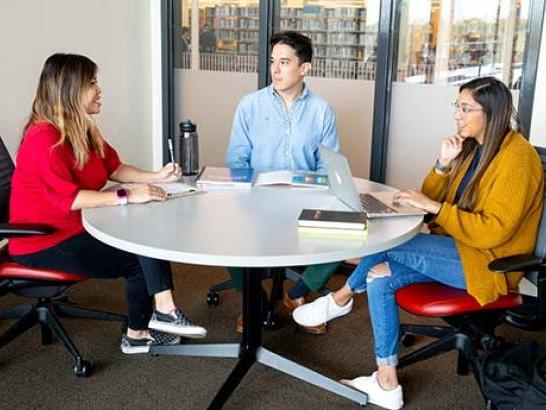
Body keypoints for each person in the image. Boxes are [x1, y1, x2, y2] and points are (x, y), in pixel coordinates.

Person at [292, 76, 544, 410]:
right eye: (458, 106)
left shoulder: (518, 158)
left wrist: (435, 208)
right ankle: (387, 382)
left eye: (466, 108)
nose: (457, 115)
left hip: (488, 263)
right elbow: (430, 198)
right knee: (379, 274)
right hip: (457, 250)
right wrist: (442, 165)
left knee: (386, 241)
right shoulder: (474, 149)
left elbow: (492, 232)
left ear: (492, 112)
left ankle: (340, 298)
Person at [9, 53, 207, 355]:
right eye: (91, 83)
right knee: (137, 258)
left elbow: (113, 168)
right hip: (44, 240)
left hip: (81, 225)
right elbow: (69, 199)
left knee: (144, 233)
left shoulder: (82, 128)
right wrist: (127, 195)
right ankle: (138, 334)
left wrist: (157, 176)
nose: (99, 90)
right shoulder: (42, 139)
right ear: (70, 90)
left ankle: (164, 311)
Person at [225, 31, 342, 334]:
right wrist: (246, 194)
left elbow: (328, 166)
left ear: (305, 68)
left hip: (304, 203)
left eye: (284, 62)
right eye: (273, 62)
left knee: (350, 230)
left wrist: (314, 189)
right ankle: (254, 299)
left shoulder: (321, 111)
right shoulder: (250, 105)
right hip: (256, 202)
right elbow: (236, 161)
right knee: (223, 230)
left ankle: (298, 293)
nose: (275, 69)